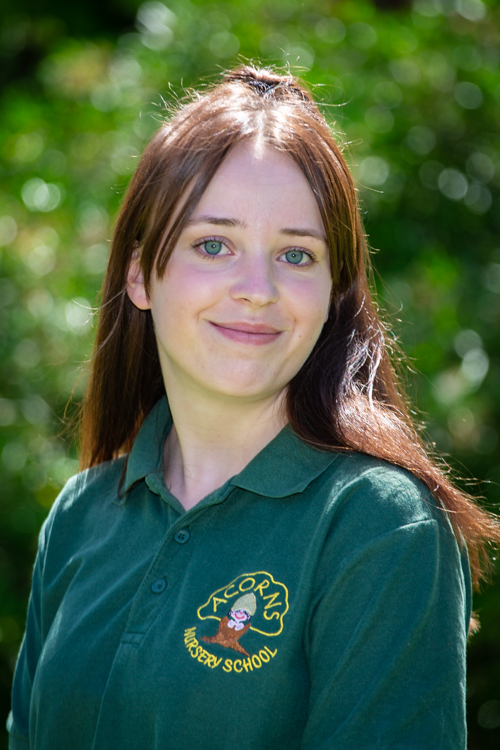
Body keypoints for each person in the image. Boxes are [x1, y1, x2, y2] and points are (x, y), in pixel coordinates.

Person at [7, 65, 500, 750]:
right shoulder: (80, 515)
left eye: (296, 255)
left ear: (333, 292)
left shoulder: (382, 525)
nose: (257, 289)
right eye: (214, 245)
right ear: (140, 273)